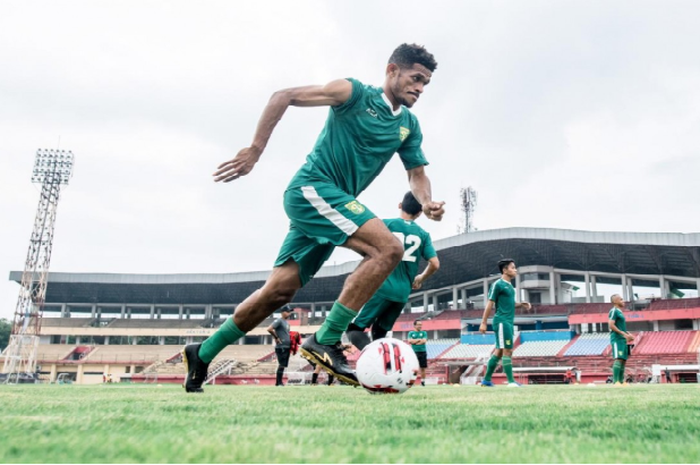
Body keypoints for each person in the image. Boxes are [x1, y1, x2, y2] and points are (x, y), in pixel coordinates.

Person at [182, 44, 444, 392]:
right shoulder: (352, 93)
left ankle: (203, 351)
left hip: (332, 205)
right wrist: (255, 151)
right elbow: (284, 95)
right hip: (312, 189)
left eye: (425, 83)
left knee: (277, 292)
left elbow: (417, 172)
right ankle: (326, 339)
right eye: (415, 78)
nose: (420, 89)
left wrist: (426, 202)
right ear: (392, 70)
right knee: (388, 250)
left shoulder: (408, 125)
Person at [346, 191, 440, 350]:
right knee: (379, 333)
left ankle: (373, 357)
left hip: (382, 288)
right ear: (419, 213)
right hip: (402, 294)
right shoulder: (423, 235)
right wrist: (421, 278)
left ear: (400, 205)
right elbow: (435, 264)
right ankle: (383, 367)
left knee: (354, 330)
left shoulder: (386, 225)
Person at [479, 259, 531, 387]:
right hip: (502, 321)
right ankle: (511, 382)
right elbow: (490, 303)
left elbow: (510, 304)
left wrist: (521, 305)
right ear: (505, 270)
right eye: (513, 267)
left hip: (508, 321)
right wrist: (483, 322)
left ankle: (486, 380)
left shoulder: (510, 287)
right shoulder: (498, 284)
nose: (515, 270)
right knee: (508, 351)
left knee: (499, 352)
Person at [608, 294, 634, 386]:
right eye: (621, 299)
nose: (623, 301)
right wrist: (623, 334)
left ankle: (621, 381)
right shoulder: (613, 311)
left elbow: (621, 327)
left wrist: (628, 334)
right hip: (617, 338)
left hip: (622, 338)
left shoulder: (619, 312)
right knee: (618, 359)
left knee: (623, 359)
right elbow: (611, 325)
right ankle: (616, 382)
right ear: (615, 301)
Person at [267, 307, 294, 386]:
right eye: (288, 312)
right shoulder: (279, 321)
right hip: (281, 346)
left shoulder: (286, 323)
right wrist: (276, 338)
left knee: (284, 365)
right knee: (281, 364)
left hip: (286, 346)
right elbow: (269, 329)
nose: (289, 313)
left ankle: (279, 382)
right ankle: (278, 382)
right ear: (282, 312)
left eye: (290, 312)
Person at [407, 320, 429, 386]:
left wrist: (415, 342)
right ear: (415, 325)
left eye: (421, 324)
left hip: (423, 352)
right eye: (419, 324)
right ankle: (412, 382)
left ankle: (423, 382)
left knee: (423, 368)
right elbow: (410, 341)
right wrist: (419, 340)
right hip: (414, 352)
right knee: (413, 368)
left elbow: (424, 341)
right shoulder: (411, 333)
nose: (420, 326)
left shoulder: (424, 332)